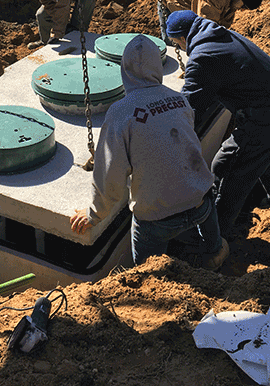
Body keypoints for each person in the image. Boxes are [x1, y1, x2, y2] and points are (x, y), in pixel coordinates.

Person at [70, 34, 229, 270]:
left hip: (157, 219)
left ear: (124, 69)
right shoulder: (179, 99)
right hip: (201, 204)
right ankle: (215, 256)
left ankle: (151, 283)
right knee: (214, 247)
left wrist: (94, 214)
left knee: (146, 274)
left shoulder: (121, 113)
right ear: (159, 67)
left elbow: (110, 175)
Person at [165, 10, 270, 239]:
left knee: (226, 165)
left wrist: (166, 138)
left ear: (181, 37)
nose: (179, 48)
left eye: (175, 43)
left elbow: (189, 109)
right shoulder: (219, 36)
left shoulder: (203, 56)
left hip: (267, 115)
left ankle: (214, 236)